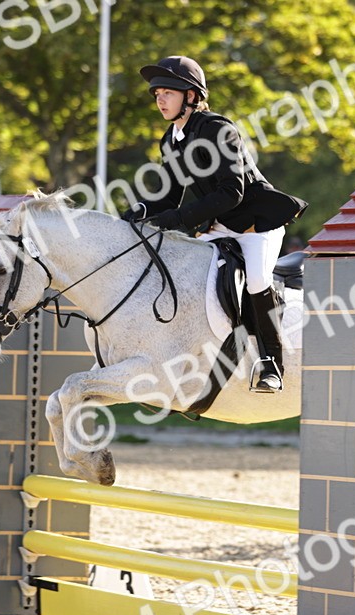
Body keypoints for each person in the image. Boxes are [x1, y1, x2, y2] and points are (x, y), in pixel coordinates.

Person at [121, 56, 308, 393]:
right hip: (220, 227)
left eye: (168, 93)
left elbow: (232, 192)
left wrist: (178, 219)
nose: (160, 100)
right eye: (157, 94)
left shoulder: (218, 129)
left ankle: (271, 365)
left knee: (256, 280)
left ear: (191, 96)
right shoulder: (171, 139)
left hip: (256, 225)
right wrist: (138, 212)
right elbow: (169, 198)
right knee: (185, 275)